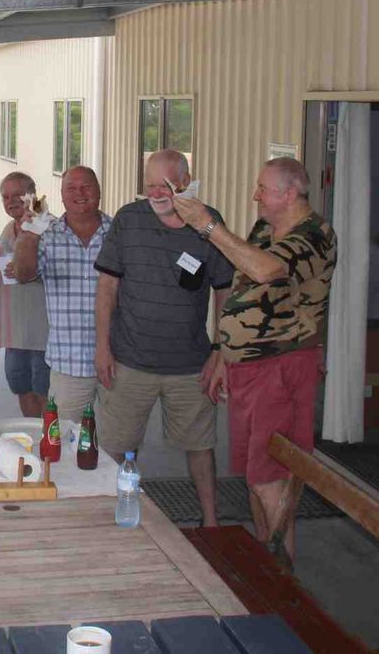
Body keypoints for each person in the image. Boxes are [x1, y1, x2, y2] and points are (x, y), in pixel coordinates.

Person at [173, 157, 336, 563]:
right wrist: (225, 355)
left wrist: (209, 227)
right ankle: (267, 563)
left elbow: (266, 270)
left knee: (272, 476)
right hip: (249, 368)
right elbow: (246, 287)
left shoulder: (315, 236)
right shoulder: (266, 227)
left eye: (262, 189)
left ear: (290, 193)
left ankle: (284, 578)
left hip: (282, 368)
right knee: (252, 475)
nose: (255, 196)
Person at [93, 149, 234, 527]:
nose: (156, 193)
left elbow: (224, 291)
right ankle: (116, 514)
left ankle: (211, 523)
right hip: (129, 361)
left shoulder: (209, 224)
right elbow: (107, 287)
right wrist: (102, 348)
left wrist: (219, 351)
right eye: (150, 184)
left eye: (166, 185)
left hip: (190, 365)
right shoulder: (128, 220)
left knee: (201, 447)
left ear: (185, 184)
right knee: (119, 445)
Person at [12, 166, 111, 421]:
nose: (80, 193)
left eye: (87, 186)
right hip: (69, 363)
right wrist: (28, 236)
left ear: (99, 191)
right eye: (71, 188)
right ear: (62, 195)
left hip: (117, 359)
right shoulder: (46, 234)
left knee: (117, 444)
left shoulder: (118, 233)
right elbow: (24, 275)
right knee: (63, 444)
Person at [0, 172, 50, 417]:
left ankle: (48, 450)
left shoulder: (48, 227)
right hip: (14, 334)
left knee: (44, 394)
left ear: (32, 195)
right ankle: (34, 442)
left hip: (42, 334)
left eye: (17, 195)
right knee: (22, 389)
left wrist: (29, 268)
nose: (11, 201)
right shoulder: (7, 229)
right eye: (5, 196)